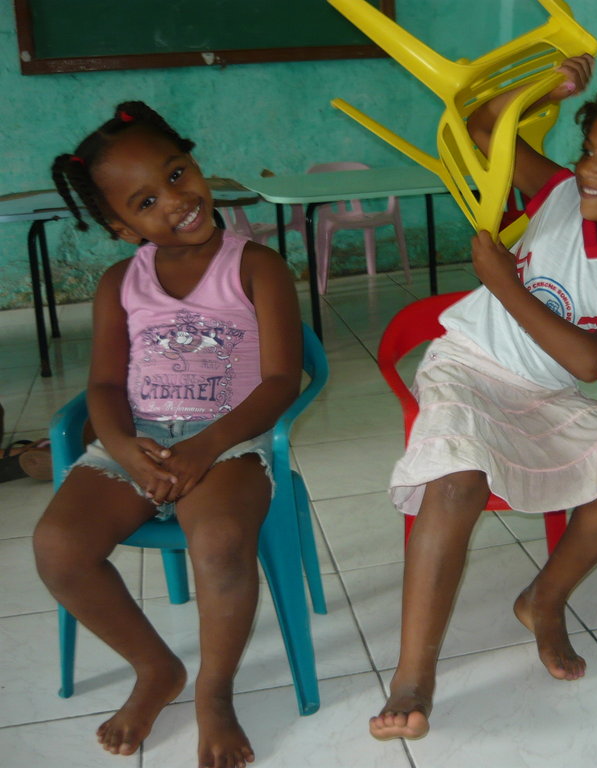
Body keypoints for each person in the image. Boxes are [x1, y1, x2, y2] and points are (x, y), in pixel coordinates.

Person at [371, 55, 597, 741]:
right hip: (466, 364)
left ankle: (544, 600)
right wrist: (540, 91)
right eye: (589, 153)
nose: (588, 170)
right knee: (456, 482)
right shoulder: (556, 192)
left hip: (544, 390)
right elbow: (480, 126)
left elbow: (590, 359)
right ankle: (413, 674)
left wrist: (503, 282)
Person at [33, 101, 301, 768]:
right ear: (124, 228)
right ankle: (156, 668)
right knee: (58, 547)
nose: (178, 200)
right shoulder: (120, 283)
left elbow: (279, 383)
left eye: (178, 173)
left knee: (219, 543)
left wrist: (205, 446)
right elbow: (101, 386)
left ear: (194, 161)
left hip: (228, 441)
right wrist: (124, 447)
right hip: (140, 439)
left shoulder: (256, 266)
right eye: (148, 200)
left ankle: (214, 691)